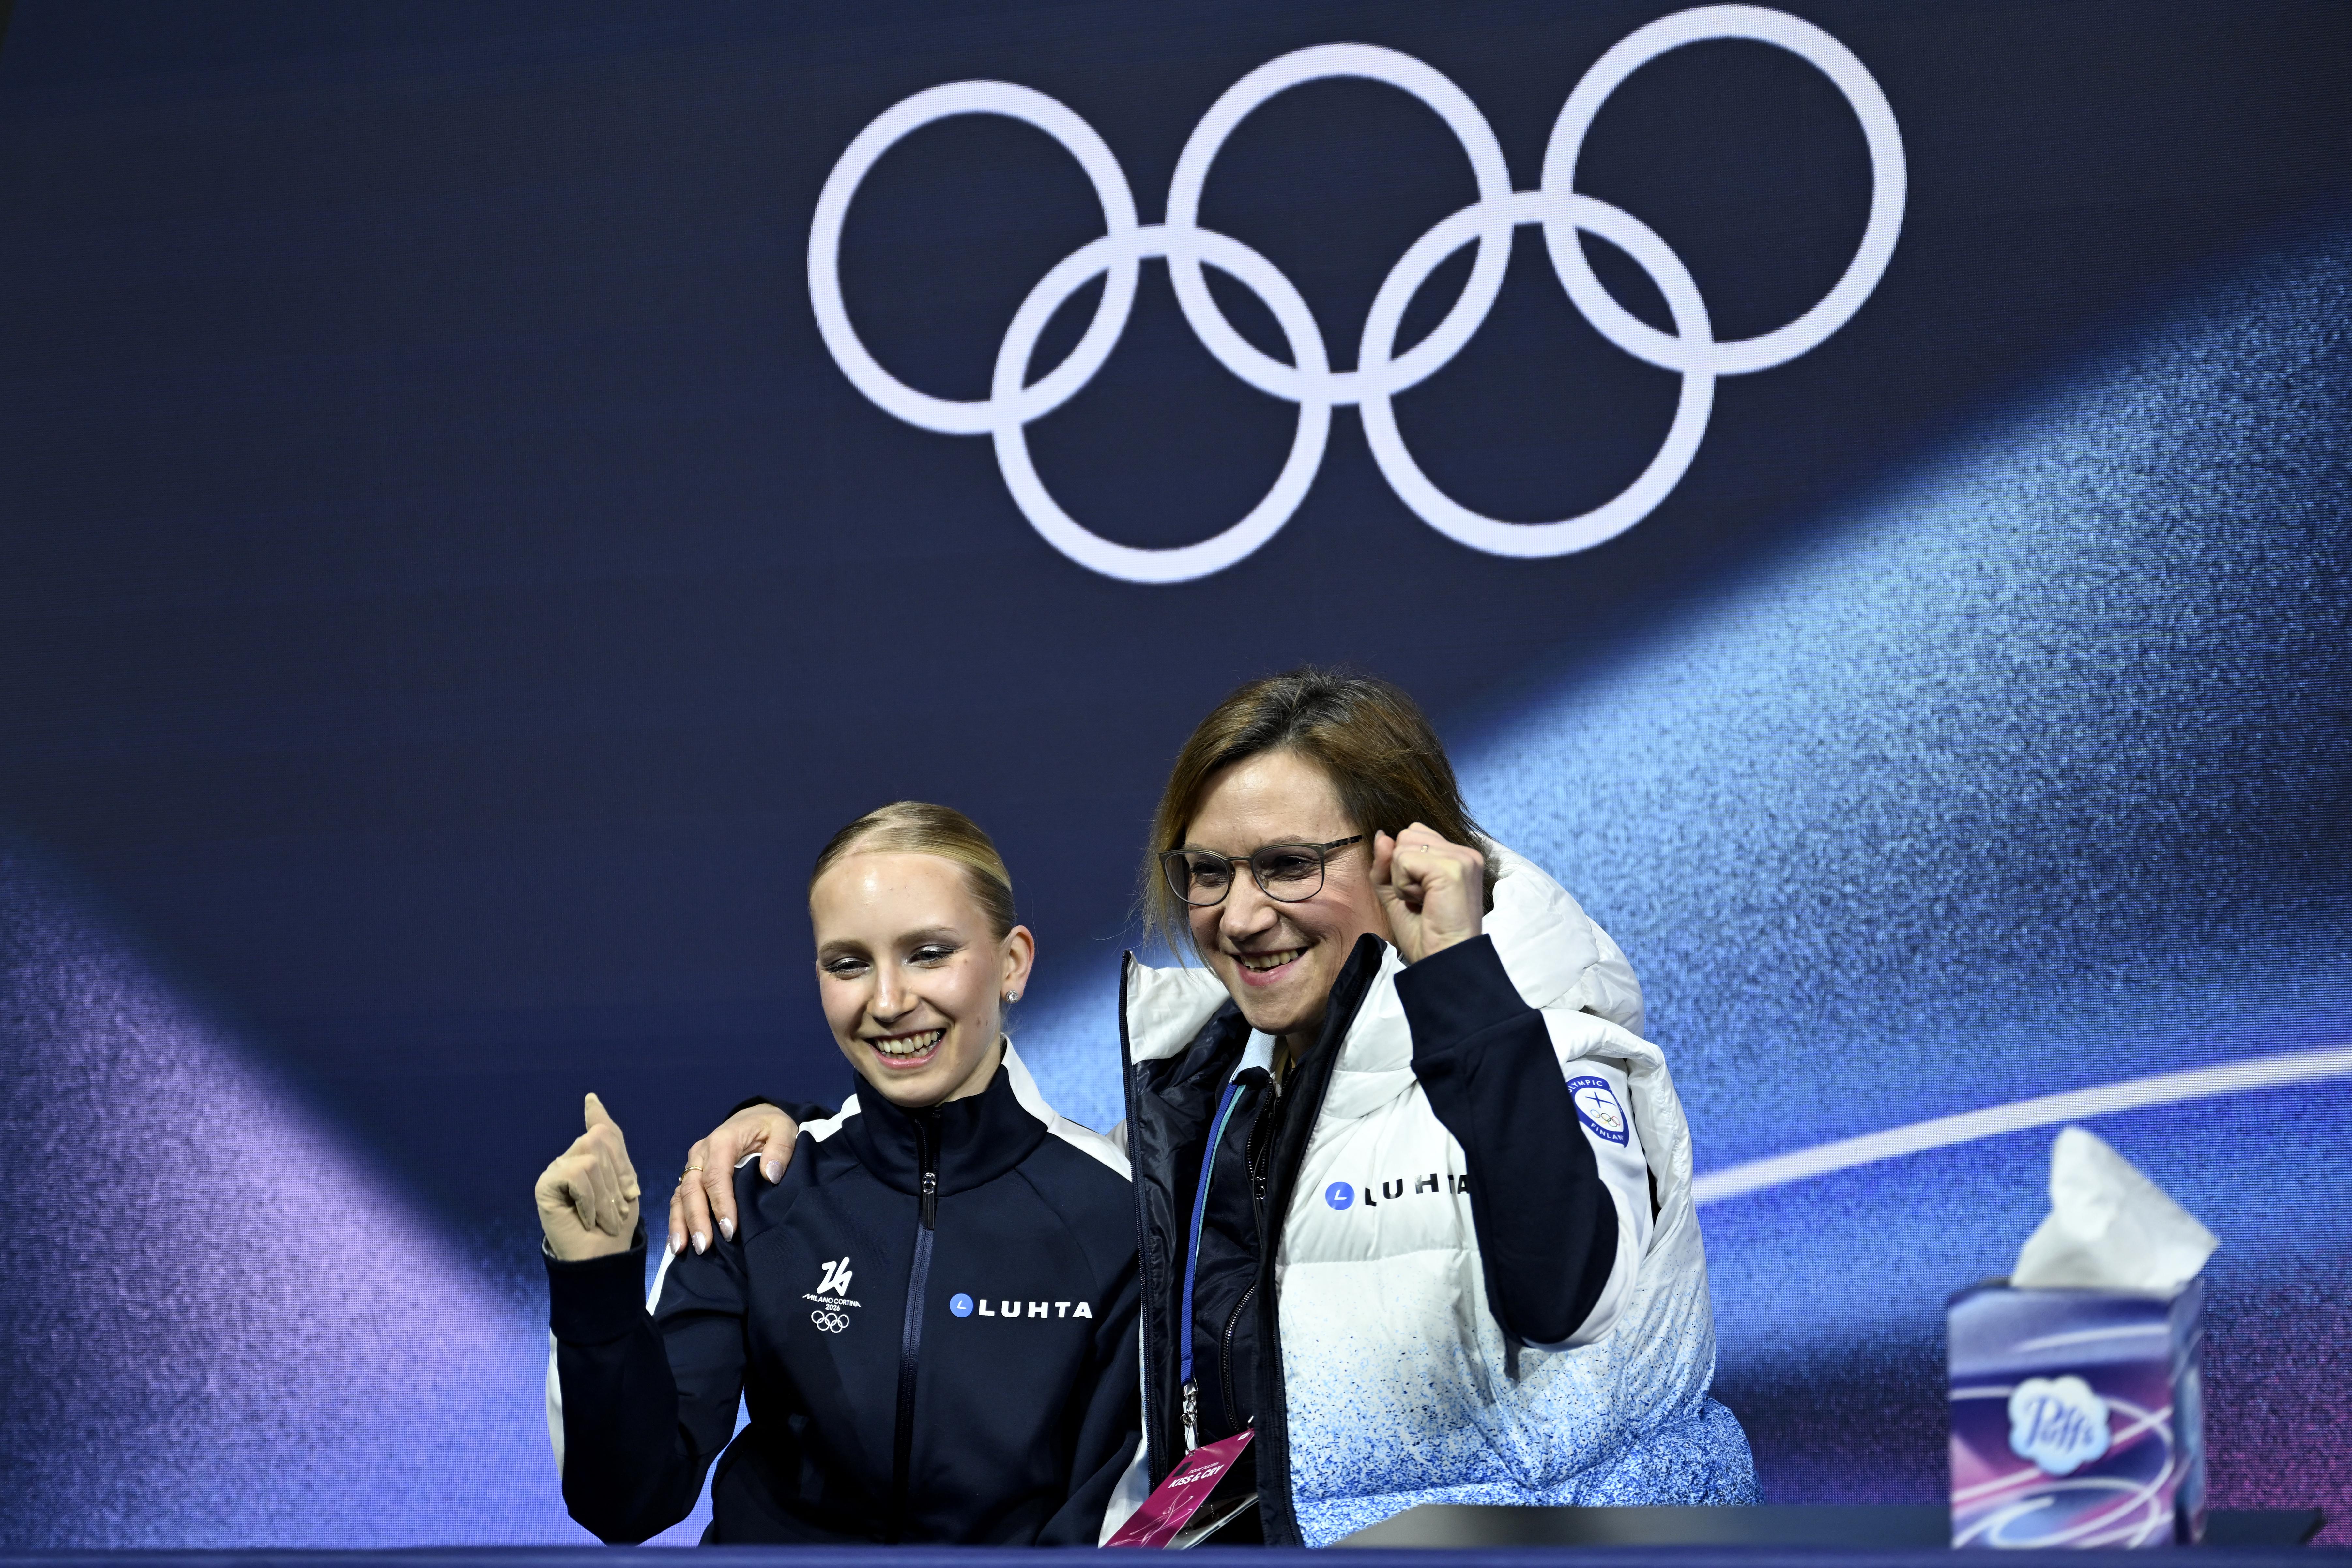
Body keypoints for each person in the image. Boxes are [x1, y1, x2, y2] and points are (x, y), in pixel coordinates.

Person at [675, 671, 1758, 1545]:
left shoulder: (1551, 1049)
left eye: (1289, 866)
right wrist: (807, 1130)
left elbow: (1566, 1291)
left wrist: (1461, 978)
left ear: (1407, 855)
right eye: (1206, 872)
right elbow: (993, 1181)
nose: (1241, 915)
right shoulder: (1209, 1100)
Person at [536, 802, 1139, 1545]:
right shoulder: (752, 1190)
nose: (887, 1002)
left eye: (928, 953)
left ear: (1012, 962)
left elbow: (1109, 1530)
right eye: (848, 963)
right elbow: (625, 1501)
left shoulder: (1114, 1211)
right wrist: (596, 1283)